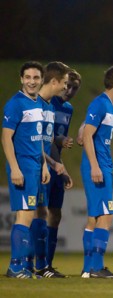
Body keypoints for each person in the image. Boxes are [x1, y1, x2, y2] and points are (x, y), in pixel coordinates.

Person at [80, 64, 113, 278]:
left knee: (94, 218)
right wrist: (94, 166)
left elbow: (85, 129)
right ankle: (96, 267)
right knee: (107, 215)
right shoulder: (101, 104)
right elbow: (87, 136)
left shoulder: (112, 106)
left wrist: (81, 131)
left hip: (103, 165)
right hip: (98, 166)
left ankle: (87, 268)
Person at [2, 61, 50, 278]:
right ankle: (15, 267)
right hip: (21, 166)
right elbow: (6, 137)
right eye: (28, 77)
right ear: (21, 79)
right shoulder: (15, 104)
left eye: (36, 78)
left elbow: (38, 138)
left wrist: (45, 165)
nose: (32, 81)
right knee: (24, 216)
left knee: (29, 216)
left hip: (35, 166)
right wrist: (14, 168)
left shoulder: (38, 103)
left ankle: (25, 266)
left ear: (41, 80)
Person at [31, 61, 70, 278]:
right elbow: (32, 142)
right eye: (64, 83)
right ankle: (30, 265)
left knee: (42, 213)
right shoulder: (34, 104)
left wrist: (56, 164)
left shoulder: (47, 107)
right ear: (54, 81)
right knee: (32, 214)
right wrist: (52, 163)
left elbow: (45, 141)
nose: (65, 87)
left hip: (44, 167)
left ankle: (39, 265)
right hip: (31, 167)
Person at [46, 69, 81, 271]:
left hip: (56, 164)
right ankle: (31, 262)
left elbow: (57, 140)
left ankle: (47, 264)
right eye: (67, 85)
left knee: (55, 213)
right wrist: (58, 140)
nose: (69, 90)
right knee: (39, 213)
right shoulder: (48, 103)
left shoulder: (68, 108)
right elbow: (44, 136)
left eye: (75, 87)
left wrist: (63, 167)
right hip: (43, 162)